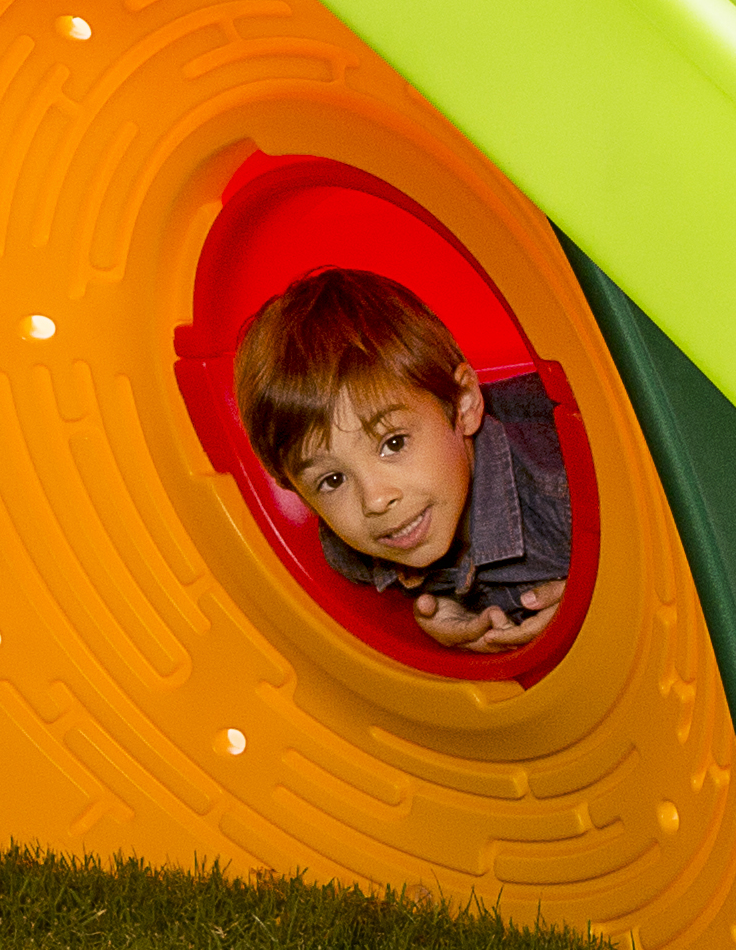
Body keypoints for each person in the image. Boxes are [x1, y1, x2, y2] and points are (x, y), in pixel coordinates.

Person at [236, 268, 574, 659]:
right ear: (300, 494)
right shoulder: (352, 549)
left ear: (464, 403)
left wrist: (596, 600)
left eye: (392, 443)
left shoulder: (562, 491)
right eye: (331, 480)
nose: (375, 500)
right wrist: (440, 611)